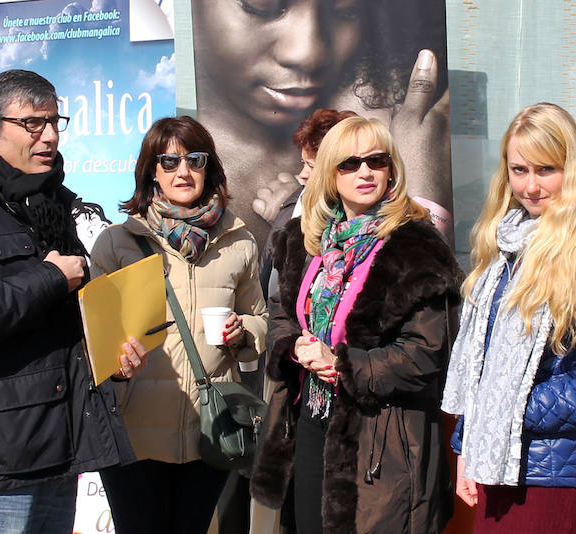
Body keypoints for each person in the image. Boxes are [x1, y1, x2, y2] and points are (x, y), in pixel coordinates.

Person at [0, 69, 147, 534]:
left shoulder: (54, 204)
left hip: (60, 447)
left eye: (55, 121)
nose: (50, 135)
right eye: (34, 124)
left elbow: (61, 327)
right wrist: (49, 278)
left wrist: (110, 355)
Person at [250, 116, 462, 534]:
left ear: (391, 169)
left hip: (382, 442)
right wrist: (295, 347)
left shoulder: (417, 247)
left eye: (376, 160)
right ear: (328, 172)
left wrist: (344, 364)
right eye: (349, 163)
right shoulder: (303, 238)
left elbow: (426, 353)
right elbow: (278, 312)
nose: (364, 172)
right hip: (309, 426)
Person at [441, 102, 576, 533]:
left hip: (552, 475)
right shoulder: (507, 245)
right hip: (497, 462)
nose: (530, 186)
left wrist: (511, 408)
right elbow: (481, 371)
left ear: (573, 169)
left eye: (545, 170)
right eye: (519, 170)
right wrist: (466, 449)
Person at [89, 115, 268, 534]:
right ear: (152, 170)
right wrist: (116, 364)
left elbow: (260, 320)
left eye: (195, 160)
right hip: (136, 434)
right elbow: (93, 340)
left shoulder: (239, 241)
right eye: (169, 162)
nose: (183, 172)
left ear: (210, 168)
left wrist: (243, 331)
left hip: (210, 430)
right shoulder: (118, 242)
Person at [190, 0, 452, 247]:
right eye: (262, 5)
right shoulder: (190, 180)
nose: (308, 54)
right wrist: (425, 198)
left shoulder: (385, 110)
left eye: (345, 10)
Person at [259, 107, 358, 298]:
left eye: (311, 166)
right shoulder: (294, 206)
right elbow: (268, 284)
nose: (302, 174)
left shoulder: (358, 222)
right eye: (303, 163)